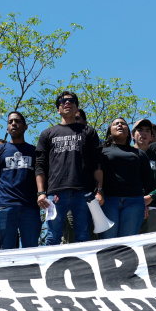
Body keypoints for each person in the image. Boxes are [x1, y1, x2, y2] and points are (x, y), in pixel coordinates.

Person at [35, 90, 104, 245]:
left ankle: (82, 269)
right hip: (55, 193)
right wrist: (41, 193)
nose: (67, 103)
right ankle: (50, 268)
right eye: (63, 101)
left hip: (84, 192)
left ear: (76, 107)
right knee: (52, 237)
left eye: (71, 101)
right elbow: (40, 165)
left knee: (83, 236)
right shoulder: (47, 134)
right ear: (58, 109)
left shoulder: (89, 132)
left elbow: (97, 163)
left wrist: (99, 191)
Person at [0, 111, 40, 249]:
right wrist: (1, 197)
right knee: (6, 250)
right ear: (7, 128)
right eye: (10, 122)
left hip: (30, 207)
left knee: (32, 249)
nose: (13, 124)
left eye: (17, 121)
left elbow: (41, 176)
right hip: (5, 207)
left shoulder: (34, 151)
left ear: (25, 126)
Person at [99, 117, 153, 238]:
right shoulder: (101, 151)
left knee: (127, 244)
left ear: (129, 132)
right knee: (108, 242)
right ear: (110, 131)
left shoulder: (139, 153)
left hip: (134, 202)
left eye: (123, 124)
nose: (120, 125)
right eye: (116, 124)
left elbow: (148, 179)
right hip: (108, 200)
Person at [133, 118, 156, 233]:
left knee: (150, 248)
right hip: (130, 206)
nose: (144, 133)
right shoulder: (125, 156)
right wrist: (139, 201)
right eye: (140, 130)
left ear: (151, 136)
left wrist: (151, 197)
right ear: (133, 135)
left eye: (148, 130)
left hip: (153, 207)